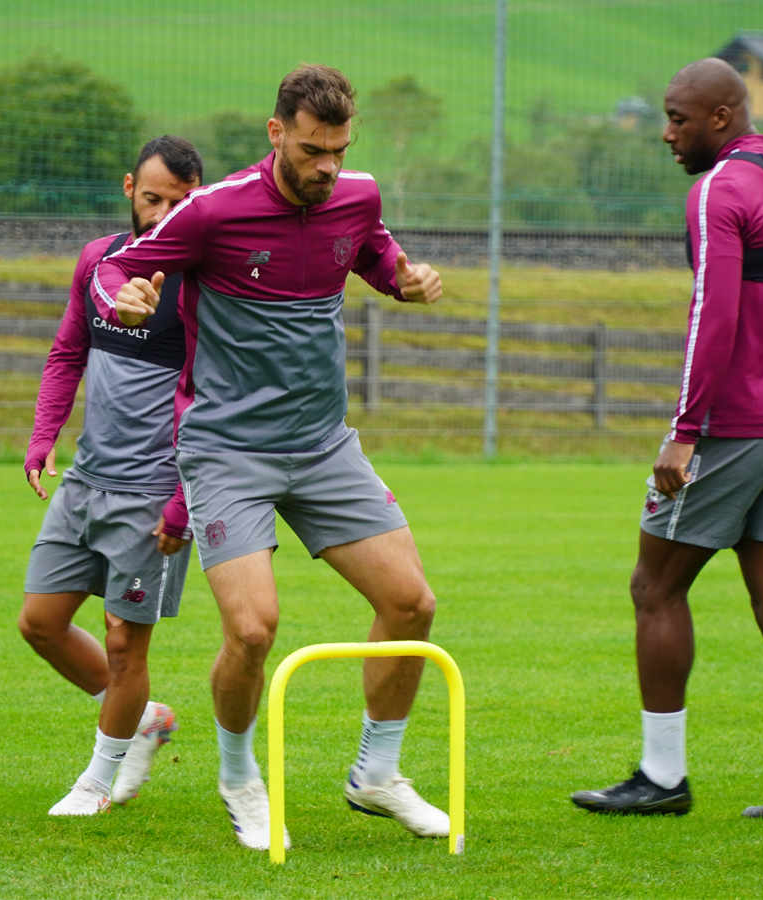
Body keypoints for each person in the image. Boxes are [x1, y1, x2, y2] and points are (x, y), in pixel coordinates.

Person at [94, 64, 446, 852]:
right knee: (253, 631)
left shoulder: (357, 194)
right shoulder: (213, 211)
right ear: (276, 132)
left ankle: (377, 776)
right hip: (227, 453)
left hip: (325, 447)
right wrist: (122, 293)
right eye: (314, 150)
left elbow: (377, 258)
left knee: (413, 604)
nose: (327, 167)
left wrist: (407, 280)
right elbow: (118, 265)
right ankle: (239, 776)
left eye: (339, 151)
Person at [570, 58, 763, 821]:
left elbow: (711, 314)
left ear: (720, 118)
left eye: (677, 118)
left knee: (654, 587)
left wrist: (684, 433)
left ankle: (661, 778)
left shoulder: (718, 188)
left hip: (737, 425)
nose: (666, 133)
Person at [19, 135, 202, 816]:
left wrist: (183, 500)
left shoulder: (204, 286)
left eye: (180, 205)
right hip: (85, 482)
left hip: (152, 495)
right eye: (152, 198)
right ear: (129, 187)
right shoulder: (97, 262)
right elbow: (68, 352)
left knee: (125, 643)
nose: (162, 216)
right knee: (39, 623)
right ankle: (141, 719)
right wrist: (44, 437)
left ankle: (97, 781)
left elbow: (208, 400)